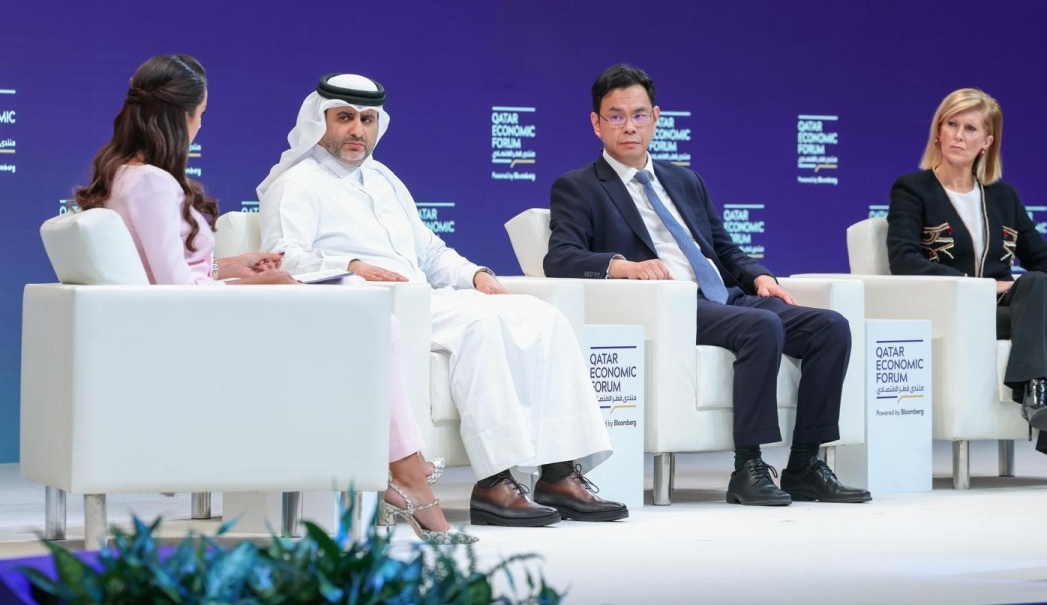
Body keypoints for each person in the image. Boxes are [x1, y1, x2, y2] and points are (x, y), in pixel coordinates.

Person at [75, 55, 476, 543]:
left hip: (186, 320)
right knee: (372, 319)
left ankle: (401, 472)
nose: (201, 126)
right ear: (181, 116)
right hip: (197, 331)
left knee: (364, 314)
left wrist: (234, 266)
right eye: (200, 115)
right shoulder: (155, 184)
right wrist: (259, 285)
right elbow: (177, 295)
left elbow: (163, 275)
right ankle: (407, 474)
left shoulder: (126, 174)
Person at [257, 72, 626, 527]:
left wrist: (474, 274)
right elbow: (282, 257)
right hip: (371, 307)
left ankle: (558, 472)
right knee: (480, 326)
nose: (357, 131)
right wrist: (351, 266)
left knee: (543, 316)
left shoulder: (385, 180)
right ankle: (495, 480)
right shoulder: (297, 183)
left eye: (367, 120)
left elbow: (430, 252)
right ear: (321, 121)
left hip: (425, 297)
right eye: (344, 118)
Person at [544, 64, 871, 506]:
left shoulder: (684, 179)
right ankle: (749, 467)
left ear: (656, 117)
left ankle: (805, 465)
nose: (629, 127)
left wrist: (760, 277)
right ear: (596, 123)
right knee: (761, 329)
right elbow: (559, 258)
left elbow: (722, 247)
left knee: (830, 327)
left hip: (728, 299)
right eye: (616, 116)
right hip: (669, 308)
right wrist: (624, 267)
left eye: (639, 115)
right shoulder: (579, 187)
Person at [886, 88, 1047, 482]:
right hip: (952, 313)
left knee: (1040, 284)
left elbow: (1046, 260)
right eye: (951, 124)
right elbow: (903, 260)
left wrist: (1016, 289)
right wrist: (981, 287)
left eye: (970, 128)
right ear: (938, 133)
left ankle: (1038, 386)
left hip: (1009, 316)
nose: (958, 135)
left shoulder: (1002, 196)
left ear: (986, 142)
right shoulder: (912, 189)